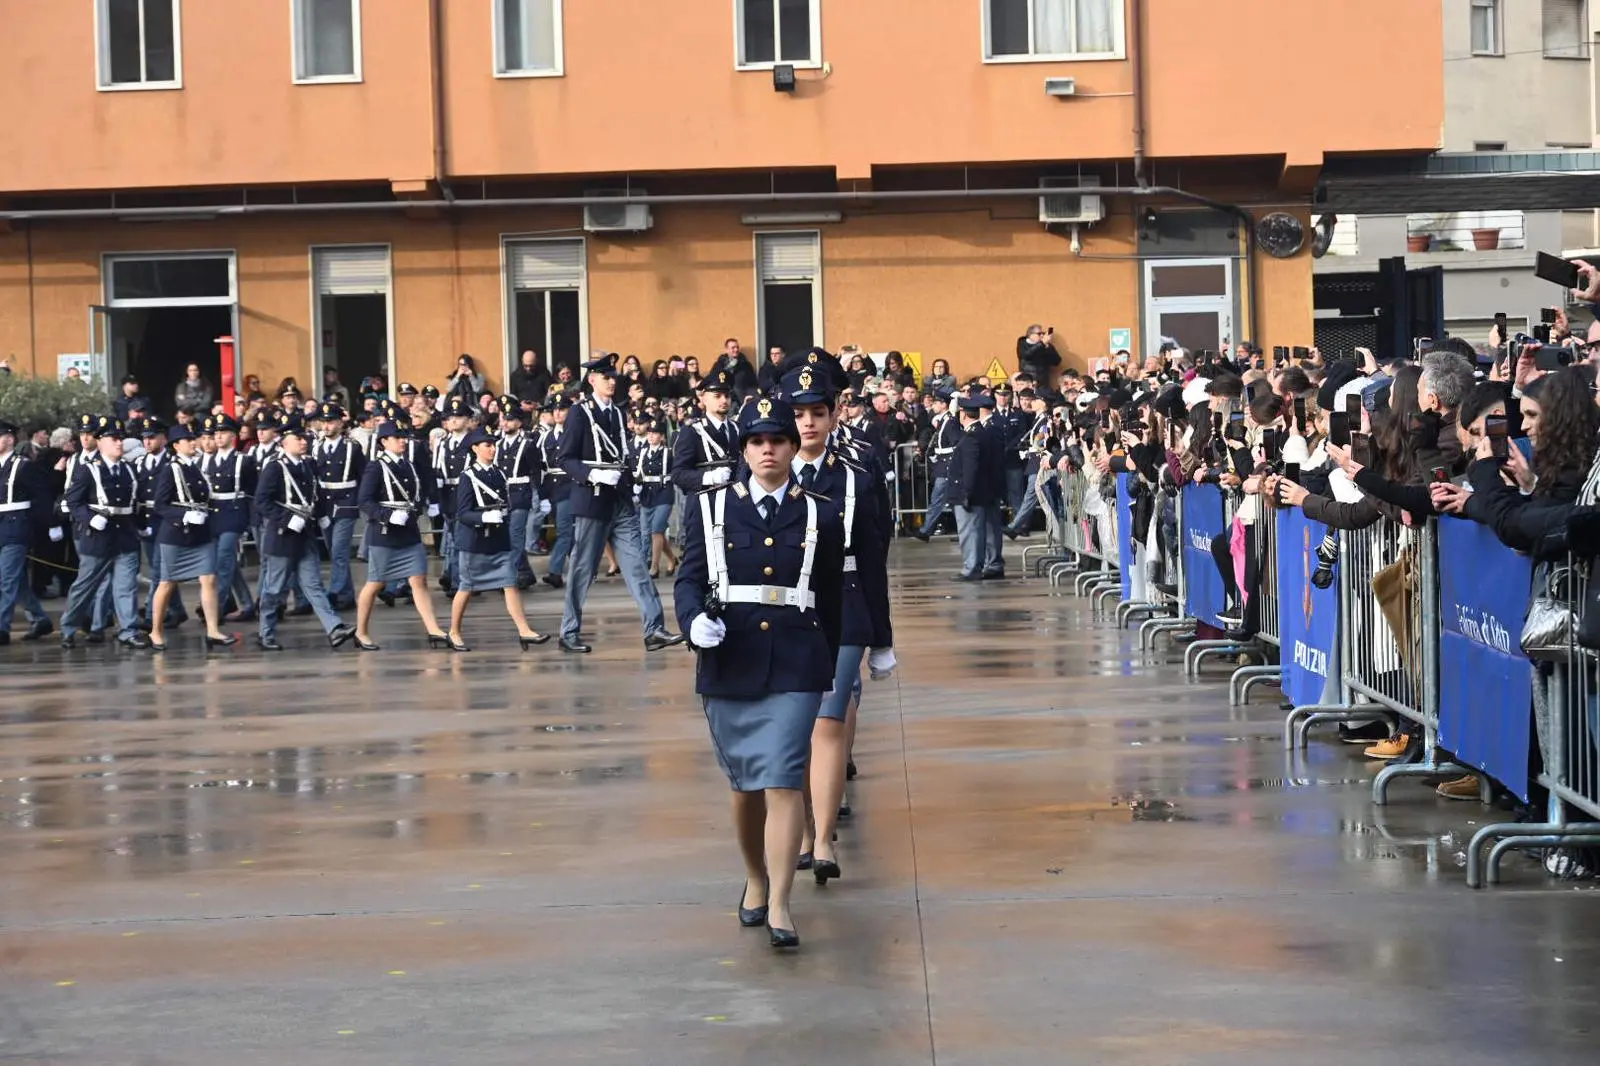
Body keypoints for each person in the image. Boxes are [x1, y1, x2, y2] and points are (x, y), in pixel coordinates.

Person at [676, 395, 846, 950]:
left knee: (782, 777)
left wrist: (839, 656)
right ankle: (755, 877)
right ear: (744, 449)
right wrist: (692, 620)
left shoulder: (821, 510)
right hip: (733, 659)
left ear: (794, 448)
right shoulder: (709, 508)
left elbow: (831, 595)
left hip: (798, 659)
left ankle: (780, 902)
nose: (768, 449)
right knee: (745, 786)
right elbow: (688, 579)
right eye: (757, 441)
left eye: (778, 440)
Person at [778, 362, 896, 883]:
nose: (807, 423)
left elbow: (874, 556)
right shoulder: (762, 474)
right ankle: (802, 828)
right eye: (798, 414)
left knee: (828, 721)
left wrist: (883, 637)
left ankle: (823, 839)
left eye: (817, 413)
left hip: (845, 602)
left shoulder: (857, 478)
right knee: (795, 727)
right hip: (786, 605)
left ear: (833, 416)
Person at [555, 354, 684, 654]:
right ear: (591, 381)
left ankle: (654, 628)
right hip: (592, 500)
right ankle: (568, 631)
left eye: (613, 377)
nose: (612, 381)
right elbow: (565, 459)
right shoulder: (579, 413)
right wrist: (592, 475)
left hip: (620, 500)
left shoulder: (615, 413)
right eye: (605, 377)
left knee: (637, 565)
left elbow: (621, 454)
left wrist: (631, 484)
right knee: (582, 569)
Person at [253, 417, 356, 652]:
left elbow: (314, 494)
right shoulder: (275, 467)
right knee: (275, 589)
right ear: (283, 443)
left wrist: (321, 516)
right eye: (298, 439)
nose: (303, 442)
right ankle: (265, 633)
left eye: (304, 438)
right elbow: (262, 502)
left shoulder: (307, 465)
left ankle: (334, 627)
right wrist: (288, 520)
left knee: (314, 585)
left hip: (305, 534)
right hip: (282, 536)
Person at [449, 427, 552, 652]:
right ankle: (454, 631)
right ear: (475, 448)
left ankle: (524, 630)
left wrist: (501, 515)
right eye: (487, 445)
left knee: (510, 583)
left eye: (494, 444)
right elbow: (463, 513)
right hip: (475, 541)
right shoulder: (468, 476)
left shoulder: (499, 473)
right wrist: (484, 516)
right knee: (466, 587)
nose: (493, 449)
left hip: (498, 538)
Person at [353, 420, 451, 650]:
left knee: (419, 580)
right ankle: (361, 631)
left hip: (408, 531)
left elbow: (416, 494)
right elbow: (364, 501)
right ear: (384, 441)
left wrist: (416, 510)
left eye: (403, 437)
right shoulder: (376, 467)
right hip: (385, 533)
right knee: (375, 583)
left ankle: (433, 629)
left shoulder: (408, 465)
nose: (402, 441)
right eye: (397, 438)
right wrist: (386, 515)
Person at [59, 416, 150, 649]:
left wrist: (142, 524)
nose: (119, 443)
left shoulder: (129, 469)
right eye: (114, 439)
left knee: (125, 586)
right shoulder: (87, 469)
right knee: (85, 586)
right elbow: (73, 501)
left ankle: (127, 630)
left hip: (125, 536)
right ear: (100, 442)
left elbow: (135, 503)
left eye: (121, 439)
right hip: (98, 537)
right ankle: (68, 627)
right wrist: (90, 519)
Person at [146, 423, 237, 652]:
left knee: (209, 579)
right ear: (176, 445)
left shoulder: (196, 468)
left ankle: (212, 630)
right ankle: (155, 630)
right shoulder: (171, 468)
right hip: (176, 535)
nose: (193, 442)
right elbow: (160, 505)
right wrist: (184, 515)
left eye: (193, 438)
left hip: (200, 533)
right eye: (188, 440)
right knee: (166, 584)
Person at [0, 419, 53, 646]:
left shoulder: (23, 465)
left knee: (6, 579)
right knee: (16, 580)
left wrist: (48, 525)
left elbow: (41, 497)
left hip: (16, 526)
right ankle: (40, 619)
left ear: (9, 439)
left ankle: (1, 627)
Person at [201, 414, 258, 622]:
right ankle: (246, 604)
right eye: (215, 433)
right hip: (213, 515)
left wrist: (251, 521)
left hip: (234, 514)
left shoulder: (243, 461)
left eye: (222, 432)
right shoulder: (207, 461)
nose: (218, 437)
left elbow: (253, 494)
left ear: (233, 435)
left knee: (223, 562)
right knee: (227, 563)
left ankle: (216, 607)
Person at [949, 390, 1006, 581]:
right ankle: (987, 564)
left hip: (972, 492)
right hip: (985, 490)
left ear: (963, 414)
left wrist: (966, 492)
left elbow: (970, 468)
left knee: (970, 532)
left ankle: (971, 567)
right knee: (986, 530)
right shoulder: (983, 433)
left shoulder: (972, 437)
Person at [312, 404, 364, 610]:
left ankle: (333, 592)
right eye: (324, 422)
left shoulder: (352, 446)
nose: (326, 425)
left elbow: (363, 475)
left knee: (340, 550)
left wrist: (360, 500)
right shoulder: (316, 446)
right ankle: (348, 595)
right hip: (325, 503)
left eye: (331, 421)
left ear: (341, 423)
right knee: (334, 551)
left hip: (346, 502)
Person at [493, 397, 543, 589]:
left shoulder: (527, 444)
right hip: (502, 496)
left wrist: (541, 495)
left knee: (515, 536)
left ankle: (508, 576)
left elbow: (536, 471)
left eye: (510, 419)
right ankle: (525, 572)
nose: (505, 423)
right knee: (507, 536)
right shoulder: (497, 444)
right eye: (504, 419)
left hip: (520, 494)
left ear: (519, 422)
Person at [671, 367, 739, 494]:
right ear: (704, 399)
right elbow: (678, 474)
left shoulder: (737, 428)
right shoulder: (693, 431)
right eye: (717, 396)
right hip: (704, 504)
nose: (724, 400)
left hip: (733, 504)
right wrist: (708, 477)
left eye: (727, 396)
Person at [432, 396, 474, 595]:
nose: (453, 421)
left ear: (467, 419)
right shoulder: (443, 443)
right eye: (449, 418)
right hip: (449, 494)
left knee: (461, 540)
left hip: (467, 494)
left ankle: (459, 581)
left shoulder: (474, 441)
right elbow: (438, 470)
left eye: (458, 417)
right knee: (452, 538)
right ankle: (454, 576)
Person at [914, 388, 959, 540]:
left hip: (947, 466)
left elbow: (956, 445)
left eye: (935, 403)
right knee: (952, 501)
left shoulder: (950, 422)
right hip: (942, 464)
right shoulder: (944, 420)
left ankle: (926, 530)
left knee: (938, 499)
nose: (933, 405)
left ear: (943, 404)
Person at [539, 394, 574, 587]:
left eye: (562, 409)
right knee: (568, 534)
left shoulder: (575, 433)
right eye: (555, 410)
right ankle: (585, 568)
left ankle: (555, 571)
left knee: (564, 531)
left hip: (571, 486)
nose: (558, 413)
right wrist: (544, 495)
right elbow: (543, 468)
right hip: (554, 488)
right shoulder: (547, 437)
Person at [634, 418, 677, 577]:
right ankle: (672, 559)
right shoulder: (643, 452)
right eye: (650, 433)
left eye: (656, 433)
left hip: (663, 492)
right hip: (647, 494)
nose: (651, 436)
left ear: (662, 437)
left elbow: (676, 471)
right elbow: (639, 473)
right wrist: (636, 487)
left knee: (656, 529)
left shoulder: (668, 453)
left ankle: (654, 566)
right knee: (648, 532)